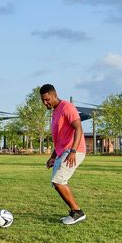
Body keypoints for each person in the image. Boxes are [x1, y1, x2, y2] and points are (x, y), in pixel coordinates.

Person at [40, 84, 87, 225]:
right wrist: (53, 157)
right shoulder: (55, 112)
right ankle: (74, 212)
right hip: (63, 151)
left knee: (58, 181)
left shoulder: (67, 107)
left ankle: (77, 212)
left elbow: (78, 128)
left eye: (47, 99)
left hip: (73, 151)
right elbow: (60, 139)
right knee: (57, 183)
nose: (45, 103)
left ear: (54, 95)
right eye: (43, 100)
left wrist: (73, 151)